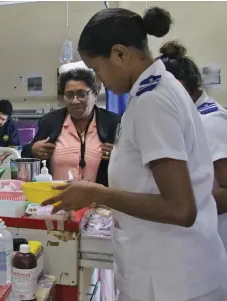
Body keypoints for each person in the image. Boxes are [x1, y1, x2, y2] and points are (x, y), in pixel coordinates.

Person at [43, 7, 227, 301]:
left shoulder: (152, 101)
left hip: (172, 280)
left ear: (119, 54)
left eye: (98, 69)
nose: (100, 80)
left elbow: (181, 209)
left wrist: (98, 193)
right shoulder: (155, 89)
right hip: (170, 271)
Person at [159, 40, 227, 251]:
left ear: (177, 87)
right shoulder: (190, 116)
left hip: (213, 234)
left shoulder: (211, 121)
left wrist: (180, 210)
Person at [21, 67, 120, 184]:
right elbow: (26, 154)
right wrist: (33, 150)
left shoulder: (112, 123)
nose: (75, 101)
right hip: (56, 198)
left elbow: (131, 162)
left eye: (82, 94)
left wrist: (119, 155)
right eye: (69, 95)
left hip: (99, 200)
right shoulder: (50, 122)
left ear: (95, 94)